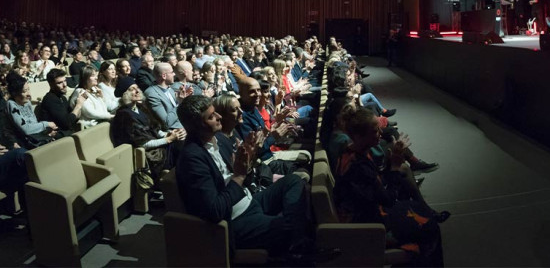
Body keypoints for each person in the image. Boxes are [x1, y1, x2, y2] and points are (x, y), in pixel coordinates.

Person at [175, 95, 320, 261]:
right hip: (235, 220)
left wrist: (250, 157)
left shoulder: (220, 139)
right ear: (196, 126)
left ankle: (296, 241)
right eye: (211, 116)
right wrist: (239, 175)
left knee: (294, 182)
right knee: (291, 227)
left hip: (249, 200)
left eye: (215, 112)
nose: (219, 117)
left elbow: (244, 175)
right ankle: (297, 243)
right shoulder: (192, 159)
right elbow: (215, 210)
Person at [333, 107, 444, 267]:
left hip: (369, 211)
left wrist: (392, 163)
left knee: (417, 207)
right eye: (375, 131)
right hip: (369, 224)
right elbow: (389, 200)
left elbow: (375, 185)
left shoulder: (351, 151)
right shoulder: (358, 166)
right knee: (430, 226)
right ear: (358, 136)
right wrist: (395, 166)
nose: (380, 133)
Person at [111, 84, 185, 182]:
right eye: (132, 89)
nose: (137, 91)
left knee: (184, 142)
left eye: (137, 88)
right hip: (148, 154)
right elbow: (142, 143)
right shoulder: (124, 116)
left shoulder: (140, 107)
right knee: (181, 148)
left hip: (158, 145)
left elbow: (154, 128)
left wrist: (168, 134)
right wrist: (168, 139)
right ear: (124, 94)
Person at [6, 72, 59, 147]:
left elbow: (34, 123)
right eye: (24, 91)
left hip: (35, 137)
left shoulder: (27, 102)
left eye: (28, 89)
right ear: (15, 93)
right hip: (24, 141)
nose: (29, 94)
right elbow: (26, 130)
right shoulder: (11, 104)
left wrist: (45, 132)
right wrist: (46, 124)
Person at [38, 68, 86, 133]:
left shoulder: (62, 98)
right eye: (60, 83)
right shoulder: (50, 99)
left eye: (65, 81)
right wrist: (78, 105)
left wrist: (78, 101)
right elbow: (67, 123)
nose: (65, 85)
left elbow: (74, 117)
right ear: (51, 85)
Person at [144, 62, 186, 130]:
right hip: (175, 131)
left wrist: (185, 99)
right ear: (164, 76)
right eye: (172, 72)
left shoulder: (170, 88)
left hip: (184, 125)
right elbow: (167, 123)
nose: (174, 74)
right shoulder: (152, 94)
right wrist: (180, 103)